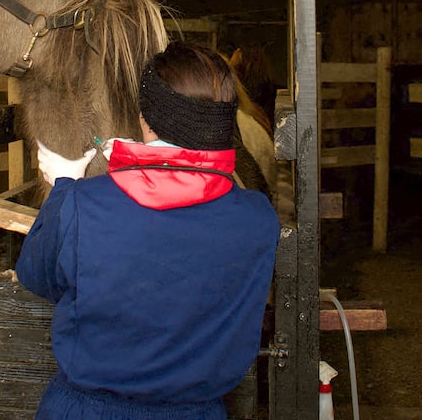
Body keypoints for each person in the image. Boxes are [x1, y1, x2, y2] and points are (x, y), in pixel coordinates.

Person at [16, 41, 280, 420]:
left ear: (144, 117)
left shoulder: (81, 203)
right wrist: (138, 161)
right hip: (198, 411)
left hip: (87, 410)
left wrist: (64, 187)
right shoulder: (258, 218)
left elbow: (36, 276)